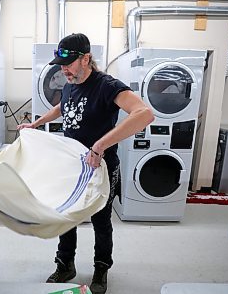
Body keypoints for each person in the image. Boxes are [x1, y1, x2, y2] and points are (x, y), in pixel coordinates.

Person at [17, 33, 154, 294]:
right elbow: (61, 107)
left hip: (101, 167)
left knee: (101, 220)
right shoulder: (70, 83)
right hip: (73, 167)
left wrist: (101, 145)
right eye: (60, 64)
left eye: (67, 63)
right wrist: (36, 124)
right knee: (66, 215)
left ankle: (101, 269)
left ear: (86, 59)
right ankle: (65, 264)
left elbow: (144, 113)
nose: (63, 69)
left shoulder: (107, 86)